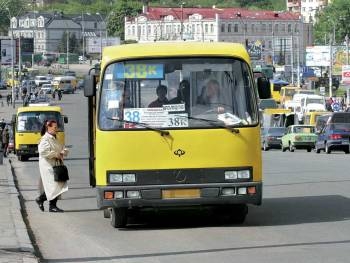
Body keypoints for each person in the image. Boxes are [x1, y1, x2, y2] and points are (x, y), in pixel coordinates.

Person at [35, 120, 68, 213]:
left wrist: (64, 151)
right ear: (48, 127)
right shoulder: (45, 139)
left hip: (55, 164)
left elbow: (61, 147)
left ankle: (42, 200)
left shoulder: (54, 137)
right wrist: (56, 154)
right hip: (48, 166)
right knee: (54, 185)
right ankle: (50, 205)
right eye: (54, 127)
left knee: (56, 185)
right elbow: (43, 151)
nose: (56, 129)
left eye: (56, 127)